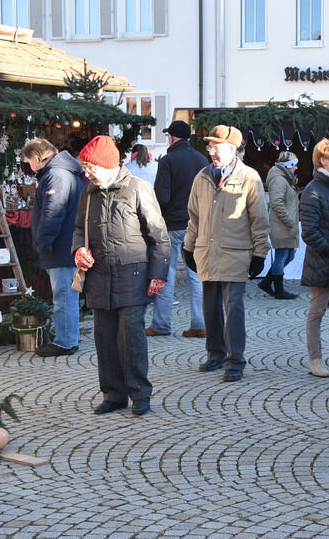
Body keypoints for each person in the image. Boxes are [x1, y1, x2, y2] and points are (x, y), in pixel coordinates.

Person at [72, 135, 170, 416]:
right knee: (104, 338)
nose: (87, 173)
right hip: (99, 277)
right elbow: (79, 228)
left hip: (133, 276)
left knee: (132, 339)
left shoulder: (139, 188)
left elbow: (159, 236)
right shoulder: (88, 192)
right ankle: (113, 395)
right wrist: (79, 249)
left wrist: (158, 274)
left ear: (109, 165)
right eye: (86, 168)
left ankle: (140, 394)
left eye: (91, 168)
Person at [183, 125, 271, 382]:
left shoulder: (249, 177)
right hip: (206, 252)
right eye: (210, 146)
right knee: (210, 307)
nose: (212, 151)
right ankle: (215, 354)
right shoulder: (201, 177)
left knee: (234, 308)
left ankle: (235, 361)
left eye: (217, 147)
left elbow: (260, 220)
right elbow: (194, 218)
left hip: (236, 253)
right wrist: (188, 247)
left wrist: (260, 253)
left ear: (232, 149)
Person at [21, 138, 85, 357]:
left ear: (37, 158)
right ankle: (69, 338)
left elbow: (52, 212)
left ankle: (65, 341)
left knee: (63, 296)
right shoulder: (62, 171)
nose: (29, 166)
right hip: (66, 243)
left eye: (29, 161)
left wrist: (43, 242)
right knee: (67, 295)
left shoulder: (56, 175)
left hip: (61, 246)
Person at [150, 120, 209, 338]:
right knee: (196, 275)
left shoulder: (168, 160)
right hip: (197, 225)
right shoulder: (202, 159)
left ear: (172, 137)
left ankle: (161, 324)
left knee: (167, 273)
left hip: (172, 225)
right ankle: (200, 324)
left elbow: (162, 197)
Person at [299, 138, 329, 378]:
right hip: (322, 261)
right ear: (322, 160)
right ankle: (314, 359)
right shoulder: (312, 191)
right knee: (317, 312)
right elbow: (309, 232)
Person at [262, 151, 300, 300]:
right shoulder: (279, 179)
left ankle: (267, 282)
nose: (296, 168)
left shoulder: (285, 178)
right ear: (288, 166)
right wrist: (289, 221)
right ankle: (279, 290)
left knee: (289, 255)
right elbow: (277, 203)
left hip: (285, 224)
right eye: (294, 165)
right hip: (282, 224)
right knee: (282, 256)